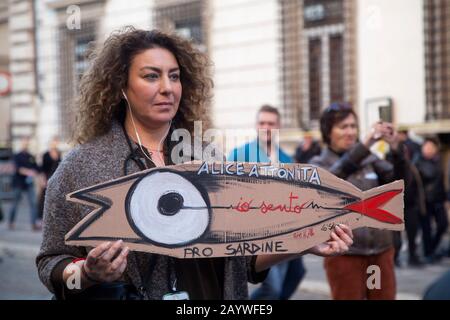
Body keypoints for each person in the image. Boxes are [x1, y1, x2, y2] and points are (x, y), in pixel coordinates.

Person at [36, 28, 353, 300]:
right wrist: (88, 273)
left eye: (174, 76)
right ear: (121, 86)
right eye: (151, 76)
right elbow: (51, 263)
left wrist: (305, 241)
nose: (167, 87)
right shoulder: (81, 167)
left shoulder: (209, 158)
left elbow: (242, 259)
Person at [309, 102, 406, 300]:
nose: (350, 132)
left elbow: (400, 183)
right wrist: (364, 146)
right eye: (343, 127)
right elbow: (331, 182)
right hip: (345, 255)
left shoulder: (369, 159)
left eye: (353, 126)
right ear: (328, 132)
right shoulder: (319, 164)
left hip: (380, 253)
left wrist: (396, 150)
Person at [228, 105, 306, 300]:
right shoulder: (240, 154)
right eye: (262, 123)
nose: (266, 127)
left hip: (284, 229)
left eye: (271, 123)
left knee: (297, 273)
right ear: (256, 126)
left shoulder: (286, 158)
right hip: (256, 233)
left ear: (278, 126)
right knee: (272, 289)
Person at [414, 137, 449, 263]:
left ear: (435, 149)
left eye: (431, 147)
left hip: (438, 199)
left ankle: (432, 248)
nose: (428, 149)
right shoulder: (417, 162)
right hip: (424, 201)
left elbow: (441, 181)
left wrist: (445, 199)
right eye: (426, 146)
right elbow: (423, 178)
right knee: (426, 229)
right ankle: (428, 253)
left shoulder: (438, 161)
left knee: (443, 224)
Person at [8, 137, 40, 231]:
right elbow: (18, 169)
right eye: (24, 142)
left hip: (29, 183)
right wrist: (29, 172)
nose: (25, 144)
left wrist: (36, 171)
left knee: (33, 203)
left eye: (27, 143)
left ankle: (33, 224)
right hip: (18, 183)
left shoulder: (31, 156)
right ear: (21, 144)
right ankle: (11, 221)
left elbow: (37, 168)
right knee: (15, 203)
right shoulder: (17, 156)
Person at [37, 136, 62, 225]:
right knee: (42, 199)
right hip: (46, 179)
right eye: (53, 142)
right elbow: (41, 168)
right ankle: (40, 218)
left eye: (56, 142)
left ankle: (53, 219)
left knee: (55, 199)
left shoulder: (59, 153)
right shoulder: (45, 154)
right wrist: (42, 179)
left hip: (55, 179)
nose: (55, 143)